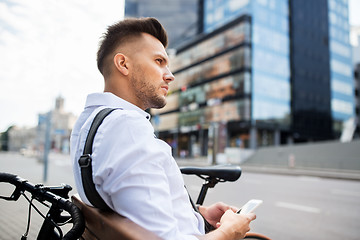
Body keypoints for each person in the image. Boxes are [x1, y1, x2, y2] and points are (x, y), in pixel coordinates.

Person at [70, 17, 256, 240]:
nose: (170, 75)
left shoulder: (89, 122)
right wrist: (229, 231)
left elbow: (131, 205)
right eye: (159, 61)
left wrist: (198, 215)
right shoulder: (128, 129)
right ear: (123, 64)